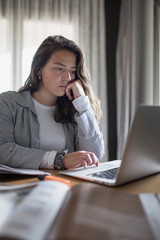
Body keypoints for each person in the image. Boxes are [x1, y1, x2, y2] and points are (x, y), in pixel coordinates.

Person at [0, 35, 104, 170]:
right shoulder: (8, 102)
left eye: (72, 71)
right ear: (39, 70)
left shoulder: (74, 108)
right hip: (23, 186)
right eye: (59, 69)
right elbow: (2, 149)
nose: (68, 77)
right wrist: (58, 159)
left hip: (66, 185)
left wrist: (82, 103)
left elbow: (94, 155)